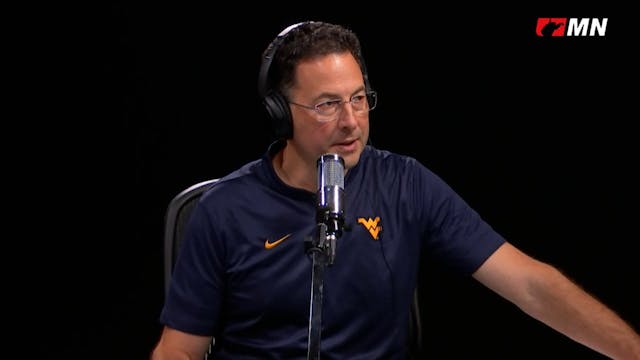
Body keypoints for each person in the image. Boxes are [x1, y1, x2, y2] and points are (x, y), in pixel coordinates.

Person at [151, 21, 640, 359]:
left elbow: (530, 285)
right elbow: (181, 348)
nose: (351, 122)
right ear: (281, 113)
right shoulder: (224, 210)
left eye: (359, 99)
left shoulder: (406, 184)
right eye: (326, 105)